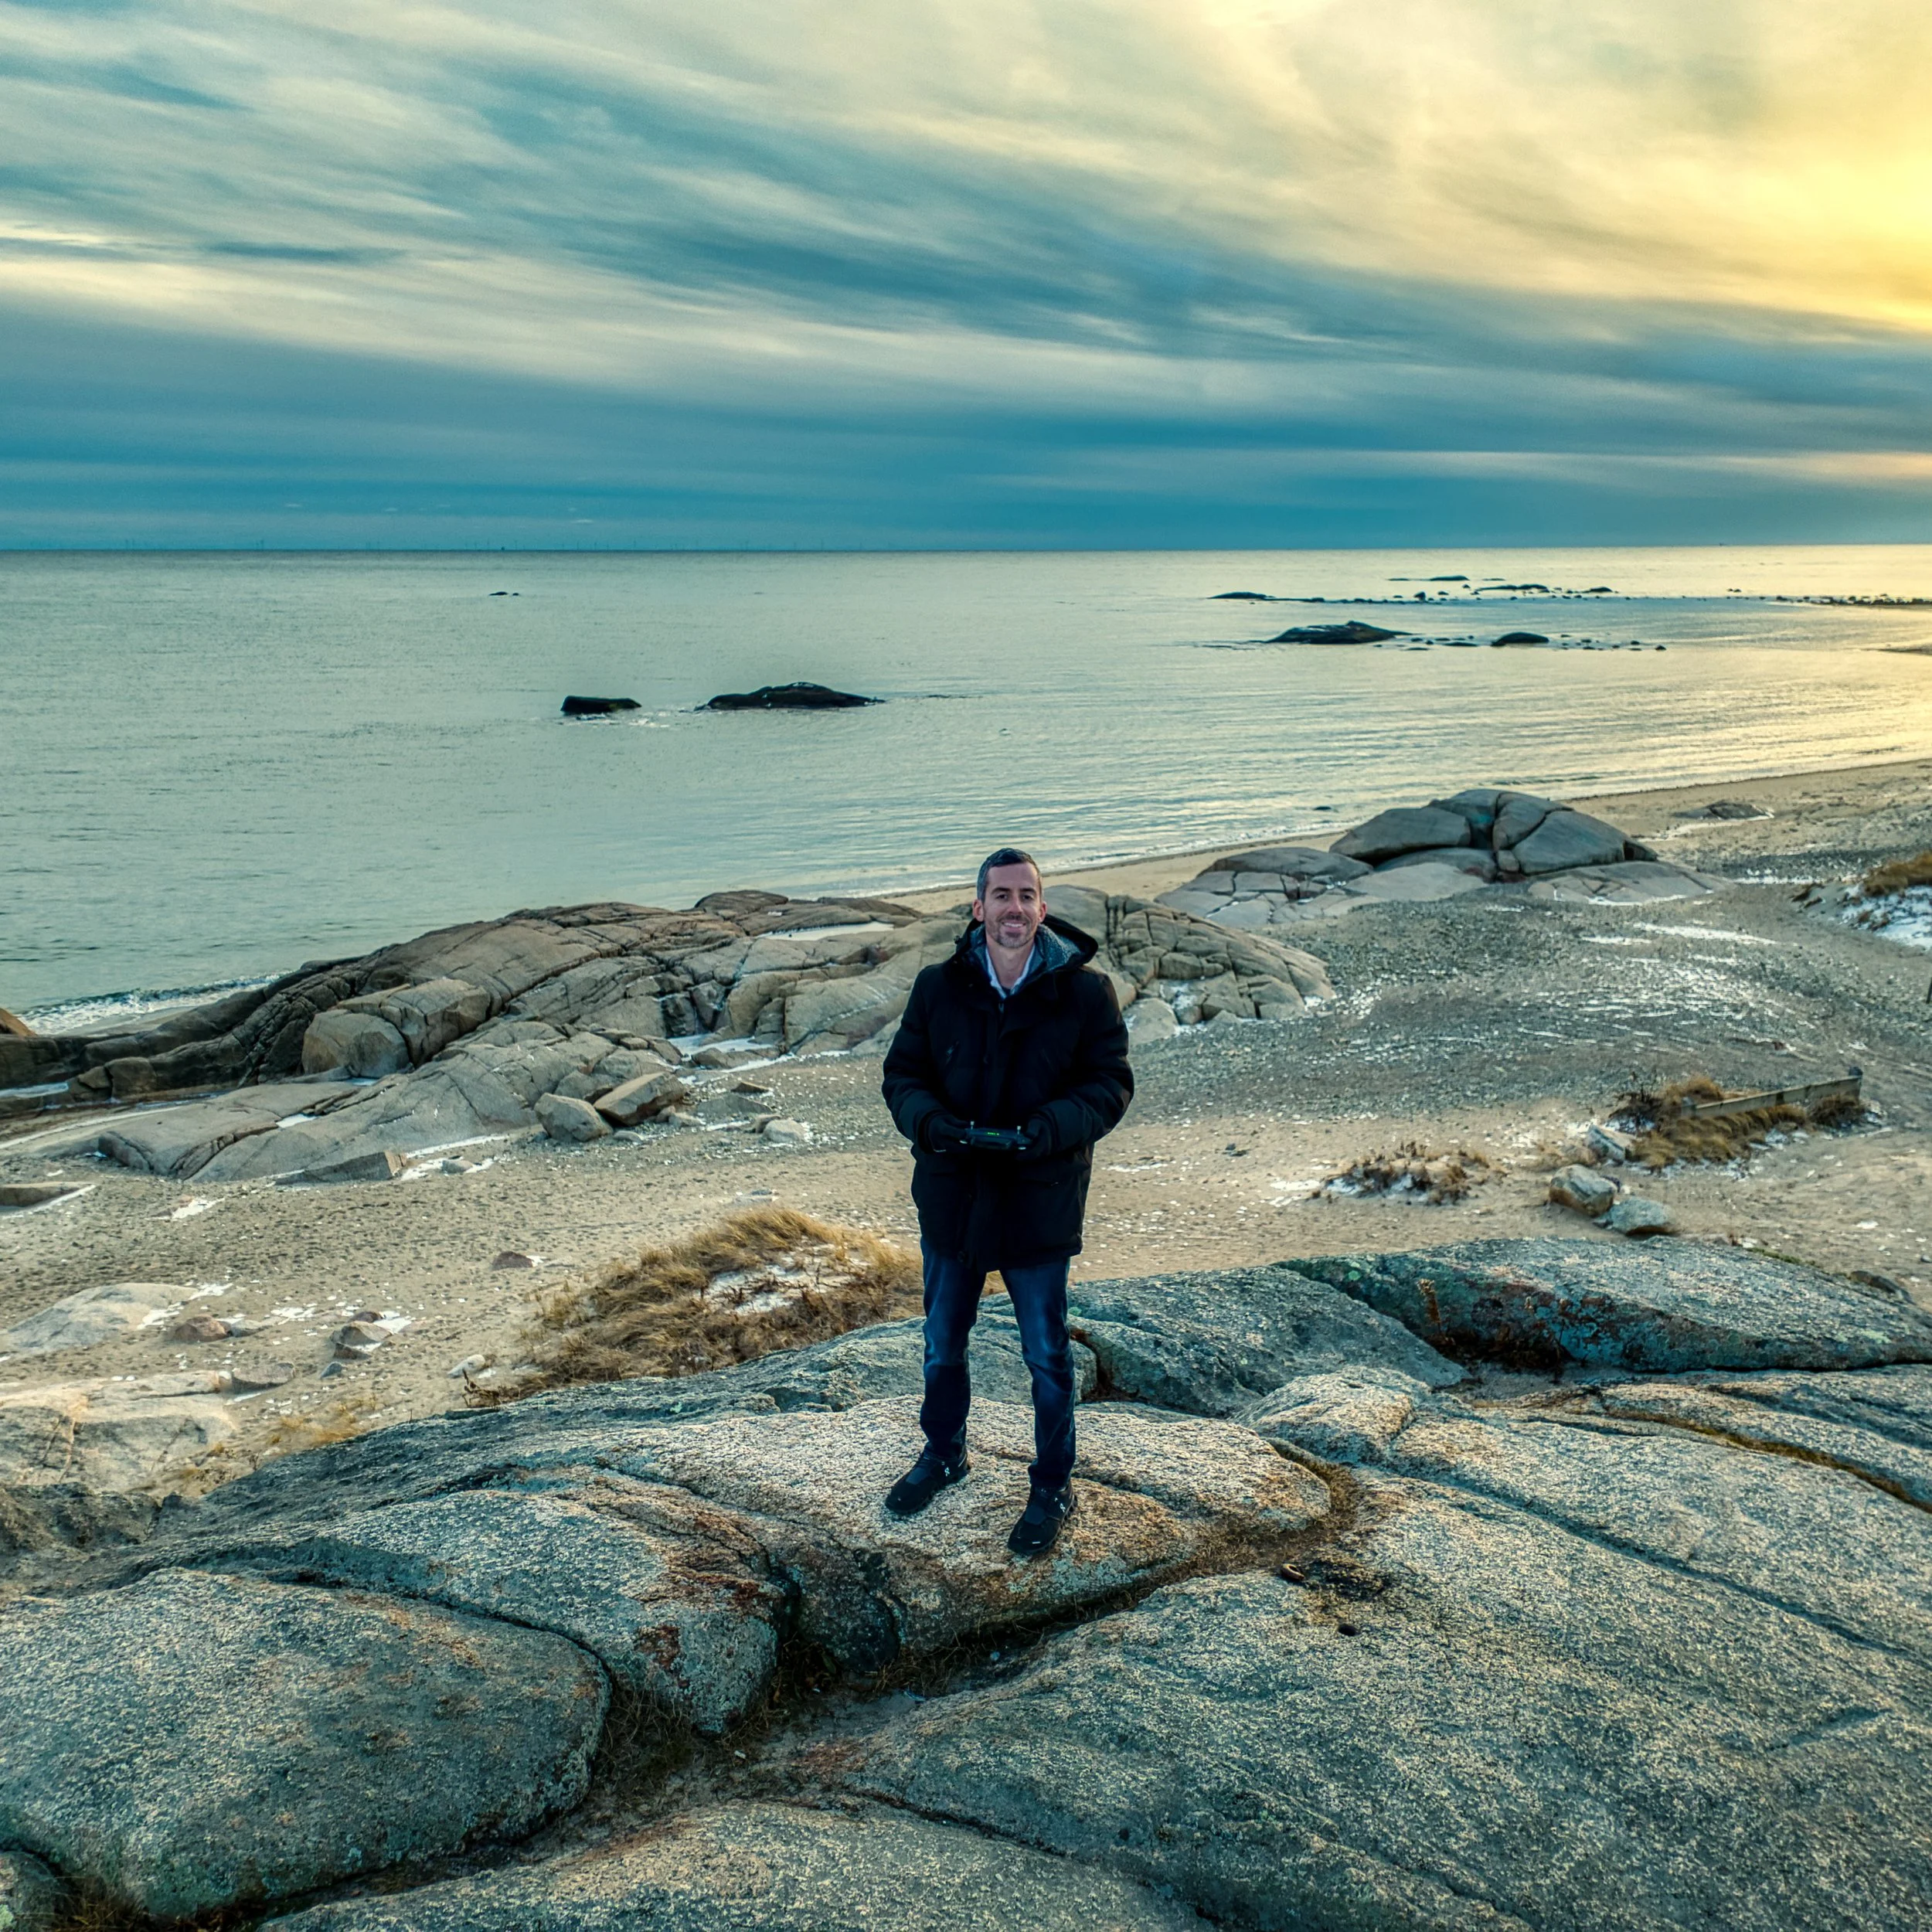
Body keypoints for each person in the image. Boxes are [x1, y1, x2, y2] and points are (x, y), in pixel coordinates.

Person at [880, 847, 1133, 1555]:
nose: (1013, 908)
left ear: (1042, 908)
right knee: (941, 1346)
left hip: (1039, 1198)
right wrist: (933, 1125)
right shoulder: (938, 987)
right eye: (1001, 896)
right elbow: (902, 1076)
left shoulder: (1086, 994)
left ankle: (1052, 1483)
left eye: (1026, 896)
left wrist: (1047, 1131)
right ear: (978, 907)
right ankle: (944, 1454)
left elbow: (1110, 1085)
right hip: (953, 1196)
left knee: (1048, 1357)